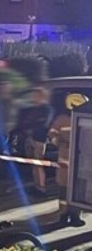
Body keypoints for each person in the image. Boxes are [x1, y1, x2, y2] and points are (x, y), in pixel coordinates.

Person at [49, 95, 84, 227]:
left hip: (81, 161)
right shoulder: (62, 119)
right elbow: (52, 133)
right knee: (64, 190)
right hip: (66, 161)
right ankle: (63, 216)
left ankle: (75, 216)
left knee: (77, 191)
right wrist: (58, 142)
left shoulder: (85, 118)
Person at [20, 88, 53, 196]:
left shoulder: (47, 109)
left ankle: (42, 188)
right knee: (33, 164)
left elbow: (44, 124)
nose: (34, 98)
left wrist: (32, 127)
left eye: (37, 96)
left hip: (40, 139)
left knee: (39, 164)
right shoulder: (33, 108)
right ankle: (36, 186)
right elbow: (27, 121)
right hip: (30, 138)